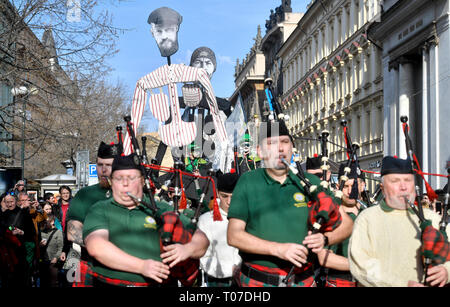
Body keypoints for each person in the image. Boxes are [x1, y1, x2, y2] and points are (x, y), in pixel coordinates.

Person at [227, 121, 353, 287]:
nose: (280, 148)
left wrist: (324, 239)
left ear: (292, 149)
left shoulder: (311, 183)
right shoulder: (249, 181)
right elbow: (234, 235)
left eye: (285, 142)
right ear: (260, 151)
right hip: (258, 282)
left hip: (303, 281)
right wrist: (278, 249)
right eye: (272, 143)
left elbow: (347, 224)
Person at [82, 154, 209, 287]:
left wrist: (187, 249)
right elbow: (96, 246)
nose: (125, 184)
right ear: (111, 182)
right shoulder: (100, 209)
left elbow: (201, 239)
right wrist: (141, 266)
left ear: (143, 181)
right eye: (119, 179)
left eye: (131, 178)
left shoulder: (162, 209)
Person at [348, 155, 450, 287]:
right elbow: (361, 264)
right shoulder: (367, 219)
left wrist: (446, 271)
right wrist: (402, 284)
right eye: (395, 181)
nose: (403, 187)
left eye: (408, 180)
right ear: (382, 188)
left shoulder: (432, 218)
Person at [66, 141, 119, 287]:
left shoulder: (131, 194)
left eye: (108, 165)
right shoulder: (84, 194)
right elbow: (73, 232)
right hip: (90, 265)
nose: (103, 170)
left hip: (124, 270)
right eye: (99, 164)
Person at [315, 162, 367, 287]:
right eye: (345, 186)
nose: (350, 191)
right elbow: (323, 257)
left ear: (362, 186)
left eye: (354, 185)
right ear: (339, 186)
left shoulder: (369, 213)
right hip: (340, 281)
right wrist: (361, 266)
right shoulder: (331, 214)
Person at [197, 172, 241, 287]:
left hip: (245, 279)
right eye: (224, 196)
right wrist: (229, 270)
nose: (229, 202)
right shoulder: (206, 220)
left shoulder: (249, 218)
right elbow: (204, 257)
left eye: (233, 196)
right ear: (217, 193)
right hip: (218, 281)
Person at [0, 193, 36, 286]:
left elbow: (32, 232)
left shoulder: (24, 214)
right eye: (7, 202)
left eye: (11, 201)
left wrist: (22, 232)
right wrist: (8, 232)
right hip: (8, 251)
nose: (10, 204)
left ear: (16, 201)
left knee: (21, 276)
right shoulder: (3, 215)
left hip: (21, 249)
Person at [39, 214, 64, 287]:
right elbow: (38, 247)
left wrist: (56, 258)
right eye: (44, 222)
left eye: (47, 222)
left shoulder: (58, 232)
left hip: (53, 261)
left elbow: (60, 247)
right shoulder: (42, 232)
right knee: (43, 282)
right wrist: (40, 245)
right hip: (43, 260)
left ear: (52, 222)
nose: (45, 224)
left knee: (53, 282)